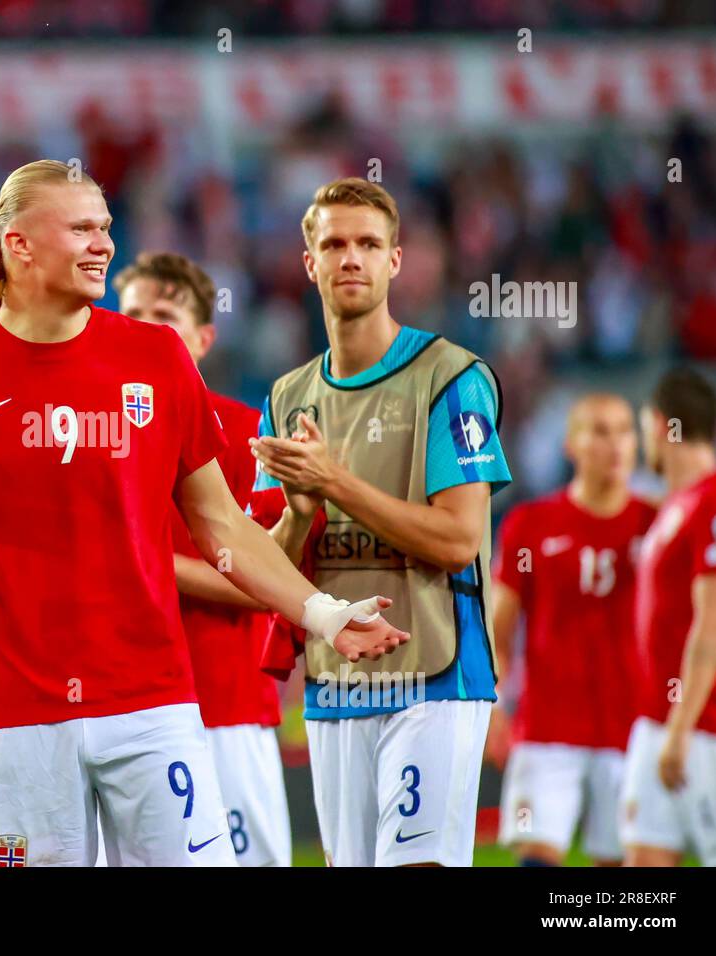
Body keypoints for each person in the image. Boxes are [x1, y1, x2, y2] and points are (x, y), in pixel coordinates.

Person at [0, 160, 407, 867]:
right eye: (83, 229)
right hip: (17, 721)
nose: (103, 245)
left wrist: (323, 615)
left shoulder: (156, 360)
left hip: (152, 706)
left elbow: (224, 527)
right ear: (19, 243)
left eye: (106, 228)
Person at [251, 177, 512, 867]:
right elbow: (270, 568)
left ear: (395, 261)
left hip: (437, 673)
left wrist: (335, 481)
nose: (351, 258)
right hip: (339, 680)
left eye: (369, 244)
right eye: (333, 244)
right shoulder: (286, 397)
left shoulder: (452, 378)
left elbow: (459, 541)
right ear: (309, 262)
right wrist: (302, 515)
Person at [115, 251, 291, 866]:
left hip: (224, 705)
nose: (144, 327)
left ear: (203, 338)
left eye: (163, 315)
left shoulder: (248, 437)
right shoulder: (90, 431)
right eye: (131, 314)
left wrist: (142, 563)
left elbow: (272, 581)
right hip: (117, 713)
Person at [489, 394, 656, 866]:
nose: (617, 444)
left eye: (626, 430)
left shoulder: (657, 522)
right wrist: (496, 704)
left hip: (632, 726)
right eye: (601, 431)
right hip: (547, 725)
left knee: (621, 864)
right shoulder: (531, 524)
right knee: (538, 853)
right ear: (571, 444)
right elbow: (499, 628)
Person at [621, 368, 716, 867]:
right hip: (659, 721)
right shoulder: (678, 507)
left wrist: (681, 725)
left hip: (705, 727)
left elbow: (715, 622)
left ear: (662, 426)